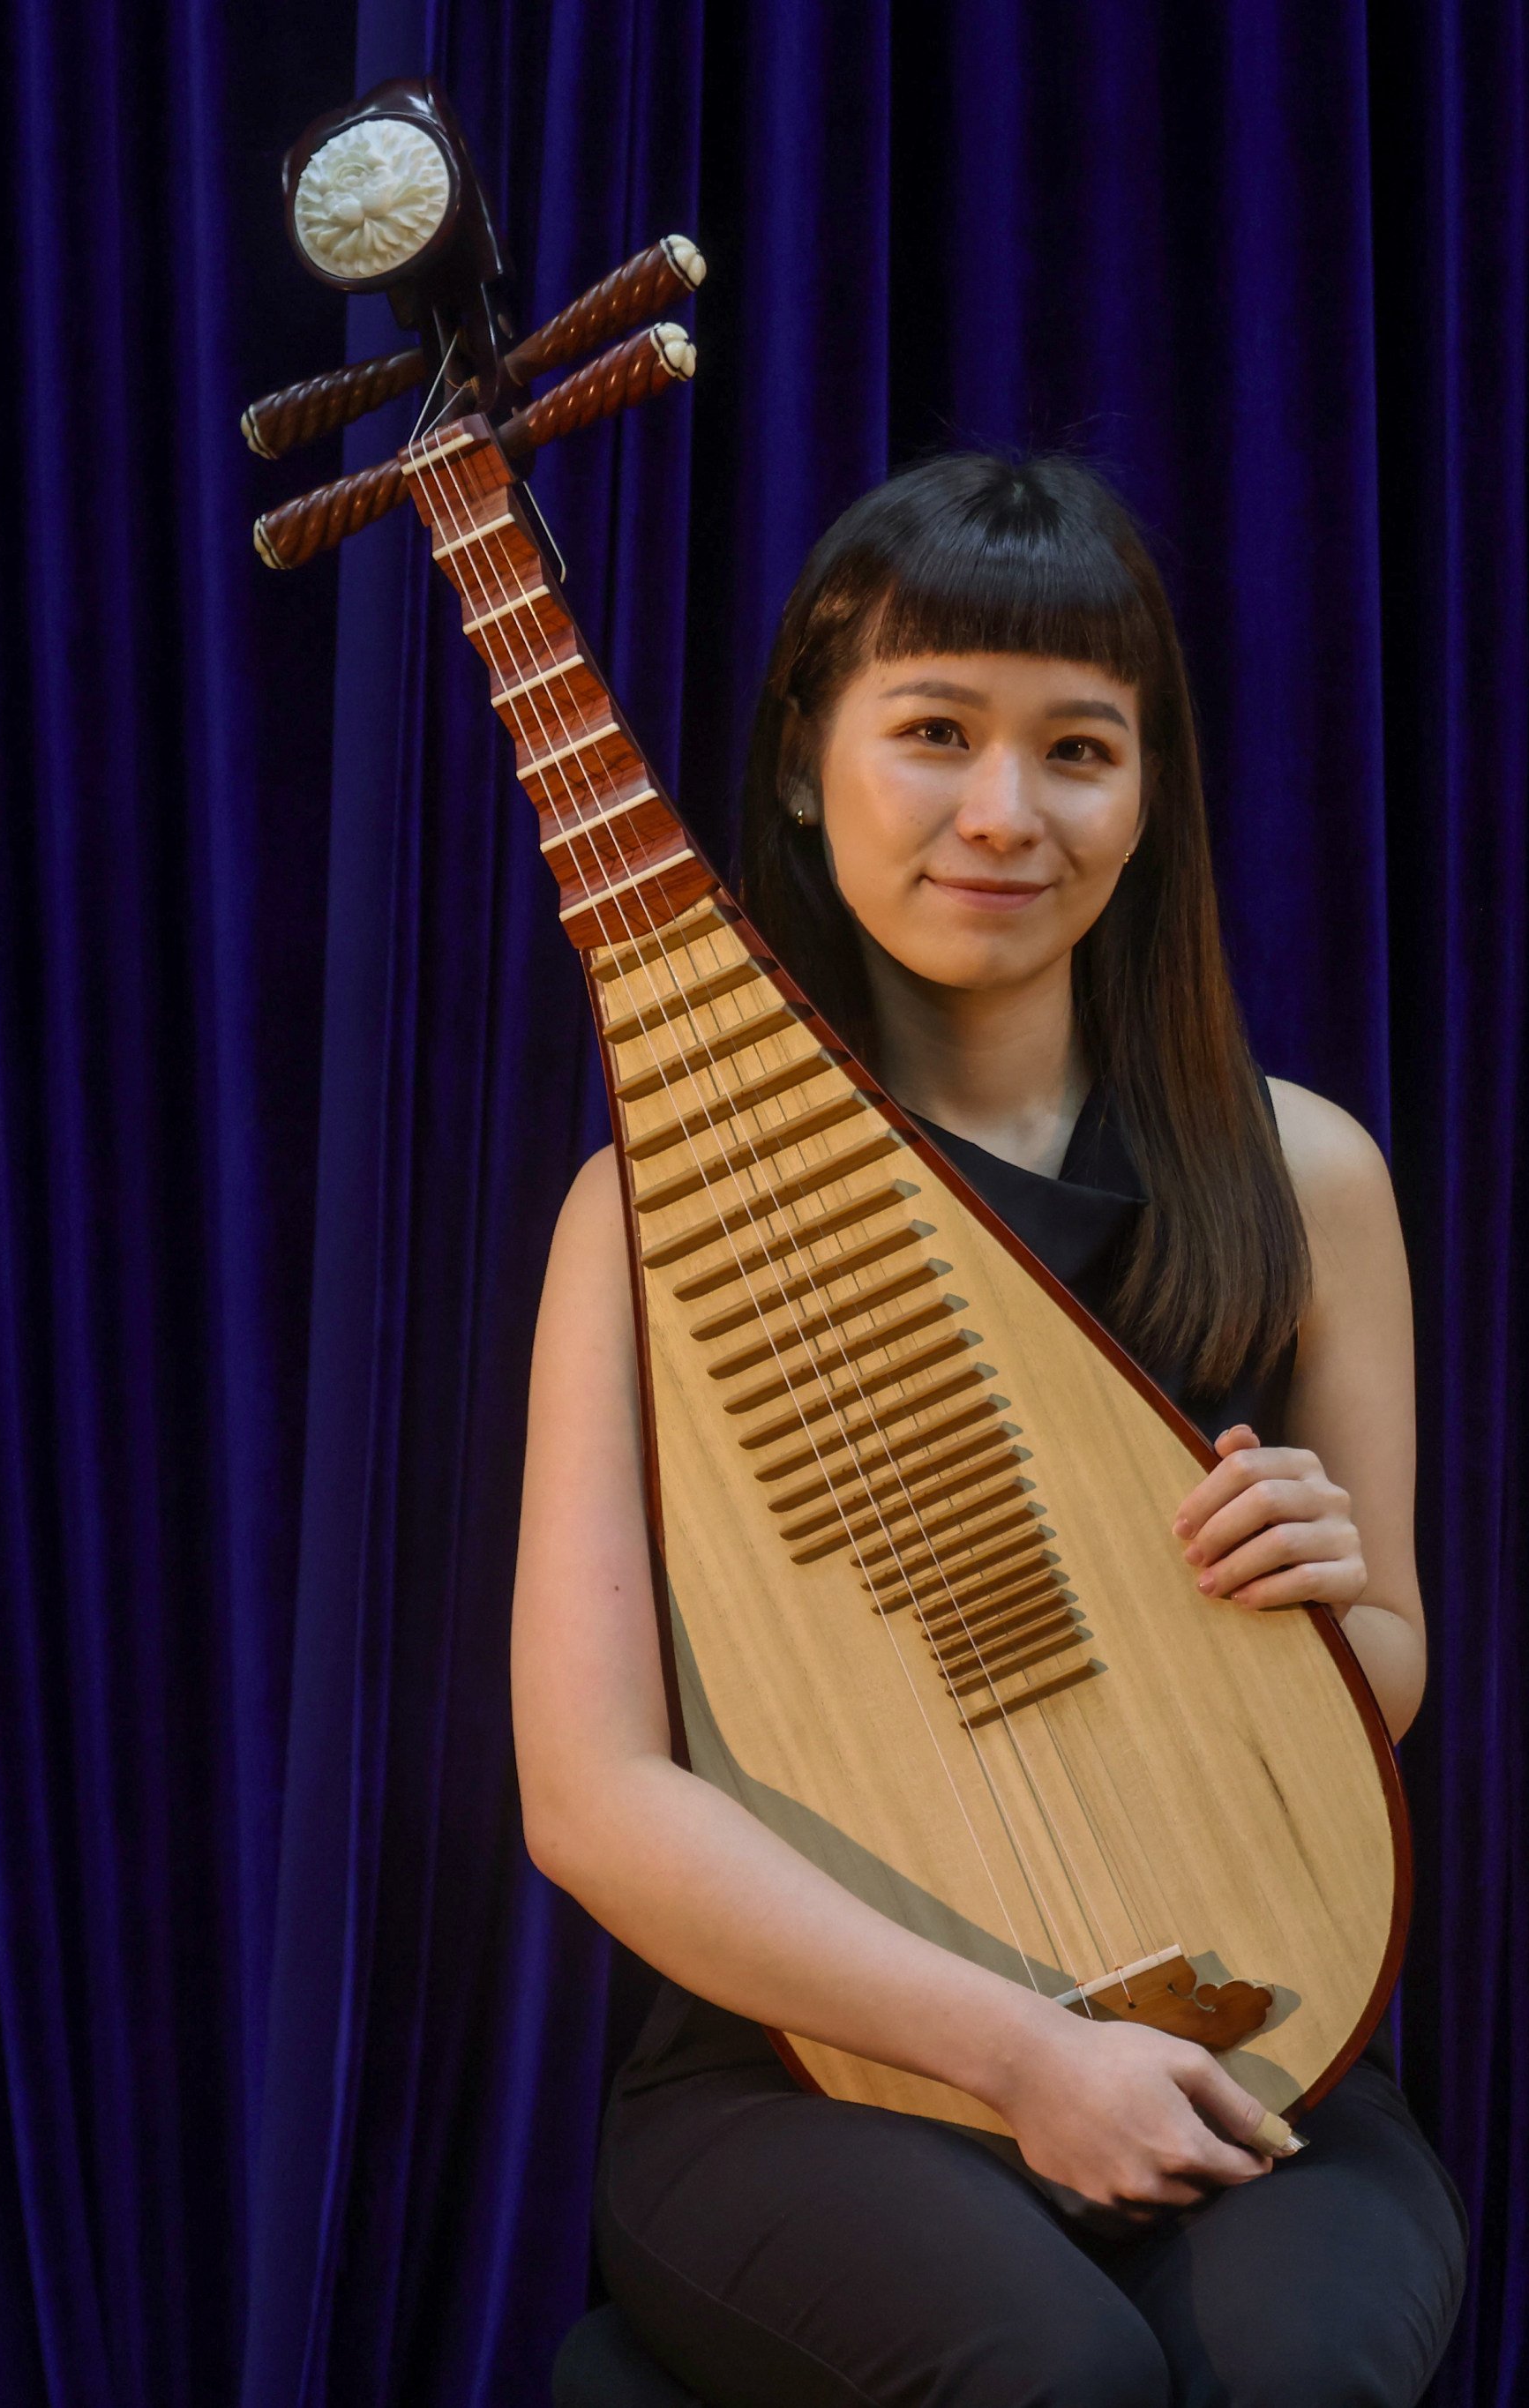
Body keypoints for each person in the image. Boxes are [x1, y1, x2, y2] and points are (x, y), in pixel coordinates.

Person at [515, 452, 1464, 2407]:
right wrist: (1020, 2057)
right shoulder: (650, 1217)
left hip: (1253, 2005)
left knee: (1300, 2379)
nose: (1001, 814)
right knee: (1051, 2384)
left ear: (1148, 797)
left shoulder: (1305, 1179)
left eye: (1077, 750)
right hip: (795, 2069)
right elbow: (592, 1791)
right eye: (932, 731)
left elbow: (1382, 1678)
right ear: (801, 768)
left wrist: (1315, 1614)